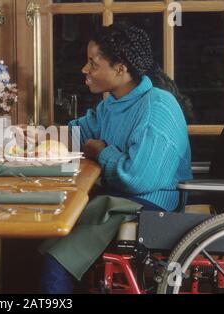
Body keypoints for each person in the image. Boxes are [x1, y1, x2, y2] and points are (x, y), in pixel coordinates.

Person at [39, 24, 193, 294]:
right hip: (121, 198)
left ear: (120, 68)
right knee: (48, 230)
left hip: (150, 204)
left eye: (93, 64)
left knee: (57, 259)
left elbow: (137, 178)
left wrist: (101, 152)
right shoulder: (113, 102)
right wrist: (35, 137)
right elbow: (81, 132)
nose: (84, 70)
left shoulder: (157, 106)